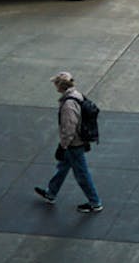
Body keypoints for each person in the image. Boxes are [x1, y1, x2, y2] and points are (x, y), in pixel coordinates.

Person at [35, 71, 103, 213]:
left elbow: (69, 128)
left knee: (82, 174)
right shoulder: (77, 95)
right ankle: (51, 193)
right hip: (77, 141)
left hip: (74, 144)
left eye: (55, 83)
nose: (55, 86)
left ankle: (95, 202)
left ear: (60, 86)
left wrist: (63, 146)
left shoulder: (68, 104)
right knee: (63, 167)